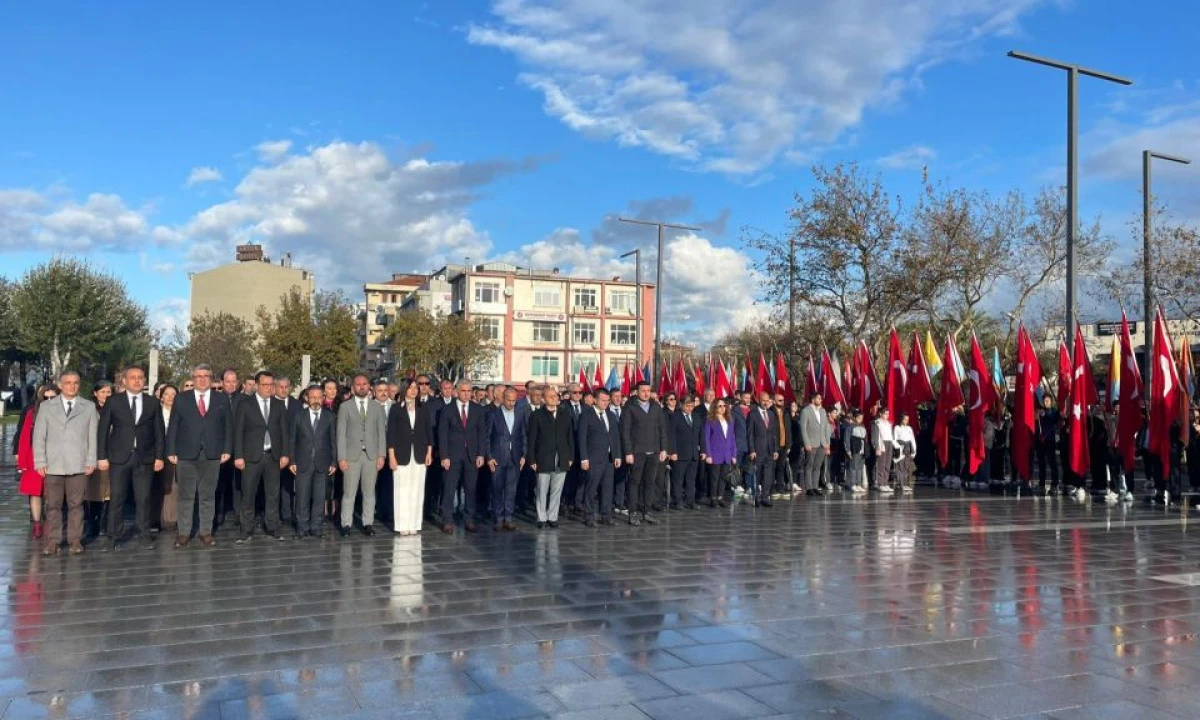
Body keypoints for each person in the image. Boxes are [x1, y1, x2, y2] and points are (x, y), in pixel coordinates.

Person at [96, 366, 165, 551]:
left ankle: (144, 535)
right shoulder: (113, 402)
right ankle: (113, 536)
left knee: (143, 498)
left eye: (140, 378)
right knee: (117, 498)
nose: (137, 381)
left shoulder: (152, 403)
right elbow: (103, 430)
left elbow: (159, 432)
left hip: (145, 457)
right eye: (133, 378)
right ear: (124, 381)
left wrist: (159, 457)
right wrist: (101, 456)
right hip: (119, 457)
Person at [167, 363, 233, 549]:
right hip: (186, 455)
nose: (202, 379)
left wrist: (227, 449)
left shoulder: (221, 399)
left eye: (206, 376)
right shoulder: (181, 399)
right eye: (198, 376)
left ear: (211, 379)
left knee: (207, 495)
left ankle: (206, 532)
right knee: (186, 496)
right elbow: (174, 426)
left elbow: (228, 427)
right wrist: (170, 450)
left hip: (212, 455)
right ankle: (183, 533)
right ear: (193, 378)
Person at [32, 370, 99, 556]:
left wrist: (91, 460)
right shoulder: (47, 407)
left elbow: (92, 436)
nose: (72, 386)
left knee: (76, 505)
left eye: (76, 383)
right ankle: (53, 541)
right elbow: (39, 436)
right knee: (53, 505)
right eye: (68, 383)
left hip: (78, 464)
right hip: (53, 465)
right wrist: (40, 461)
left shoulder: (88, 407)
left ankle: (75, 540)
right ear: (60, 385)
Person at [232, 371, 291, 542]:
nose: (268, 388)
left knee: (273, 494)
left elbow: (284, 432)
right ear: (256, 385)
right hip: (250, 457)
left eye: (271, 385)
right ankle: (246, 529)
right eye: (264, 385)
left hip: (273, 456)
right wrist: (238, 455)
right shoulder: (245, 404)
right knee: (248, 494)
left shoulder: (279, 405)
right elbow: (238, 432)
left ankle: (272, 527)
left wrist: (285, 454)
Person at [336, 374, 387, 537]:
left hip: (371, 455)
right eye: (358, 384)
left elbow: (381, 433)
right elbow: (341, 434)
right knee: (349, 493)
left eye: (365, 384)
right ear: (353, 388)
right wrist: (341, 458)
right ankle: (346, 524)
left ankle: (368, 523)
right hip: (351, 456)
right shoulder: (345, 407)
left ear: (369, 387)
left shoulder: (377, 407)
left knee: (369, 492)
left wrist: (382, 455)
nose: (362, 387)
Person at [436, 381, 486, 534]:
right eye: (463, 391)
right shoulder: (447, 409)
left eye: (468, 391)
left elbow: (482, 433)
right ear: (456, 391)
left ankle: (469, 519)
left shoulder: (478, 409)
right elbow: (442, 434)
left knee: (470, 489)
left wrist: (481, 454)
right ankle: (447, 520)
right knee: (449, 488)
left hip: (472, 455)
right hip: (452, 455)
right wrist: (444, 456)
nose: (466, 393)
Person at [289, 385, 337, 539]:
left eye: (318, 397)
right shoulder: (298, 416)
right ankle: (302, 528)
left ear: (323, 398)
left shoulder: (329, 416)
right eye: (312, 397)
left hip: (323, 463)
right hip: (303, 463)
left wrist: (334, 462)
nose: (315, 400)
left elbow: (333, 441)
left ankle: (316, 527)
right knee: (302, 497)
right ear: (307, 398)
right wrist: (292, 460)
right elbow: (292, 440)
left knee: (319, 497)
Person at [387, 380, 432, 536]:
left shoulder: (423, 408)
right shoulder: (395, 409)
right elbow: (391, 434)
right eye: (410, 387)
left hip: (419, 453)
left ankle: (414, 523)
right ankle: (401, 524)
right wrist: (391, 457)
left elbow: (428, 432)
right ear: (404, 389)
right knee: (402, 489)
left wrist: (429, 452)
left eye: (415, 388)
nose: (413, 390)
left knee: (417, 489)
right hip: (401, 455)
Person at [621, 382, 668, 526]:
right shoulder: (630, 408)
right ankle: (633, 513)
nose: (646, 393)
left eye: (648, 391)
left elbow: (662, 429)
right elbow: (625, 431)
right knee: (635, 482)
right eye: (643, 391)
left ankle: (647, 512)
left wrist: (663, 449)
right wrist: (628, 452)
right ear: (637, 392)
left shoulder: (656, 407)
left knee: (650, 482)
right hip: (637, 452)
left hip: (654, 451)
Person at [526, 387, 574, 529]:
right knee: (541, 490)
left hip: (562, 457)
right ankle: (541, 518)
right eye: (550, 396)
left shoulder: (565, 414)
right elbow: (531, 439)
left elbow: (569, 437)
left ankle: (552, 517)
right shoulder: (536, 416)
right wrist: (532, 459)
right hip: (543, 458)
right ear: (544, 399)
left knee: (557, 490)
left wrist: (571, 456)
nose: (554, 398)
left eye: (555, 396)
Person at [13, 383, 57, 539]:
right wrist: (22, 463)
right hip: (34, 457)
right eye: (46, 397)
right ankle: (37, 523)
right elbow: (24, 437)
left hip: (57, 457)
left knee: (53, 492)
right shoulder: (32, 412)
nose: (50, 400)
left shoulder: (63, 412)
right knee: (35, 492)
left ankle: (51, 522)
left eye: (53, 397)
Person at [578, 388, 621, 527]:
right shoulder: (586, 415)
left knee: (608, 488)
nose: (605, 403)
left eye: (607, 400)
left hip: (609, 458)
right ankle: (589, 516)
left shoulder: (611, 415)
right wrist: (584, 458)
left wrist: (617, 455)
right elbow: (582, 438)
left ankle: (606, 515)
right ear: (595, 399)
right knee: (591, 488)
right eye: (603, 400)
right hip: (593, 458)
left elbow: (615, 437)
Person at [485, 387, 525, 531]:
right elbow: (486, 437)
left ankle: (508, 518)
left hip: (514, 458)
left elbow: (523, 435)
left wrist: (524, 455)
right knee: (497, 489)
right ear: (502, 398)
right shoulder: (493, 414)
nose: (511, 403)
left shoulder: (520, 414)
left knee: (511, 489)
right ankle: (498, 518)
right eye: (508, 400)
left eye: (514, 400)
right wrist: (488, 457)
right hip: (497, 458)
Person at [85, 381, 114, 541]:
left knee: (109, 492)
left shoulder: (116, 408)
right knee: (94, 491)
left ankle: (105, 523)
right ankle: (93, 524)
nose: (105, 395)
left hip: (112, 455)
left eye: (108, 392)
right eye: (102, 392)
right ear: (95, 393)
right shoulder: (89, 410)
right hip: (93, 455)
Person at [150, 384, 178, 534]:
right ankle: (154, 519)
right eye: (166, 394)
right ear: (161, 397)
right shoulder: (155, 412)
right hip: (157, 456)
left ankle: (171, 520)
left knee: (173, 489)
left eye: (173, 394)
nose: (170, 397)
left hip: (175, 456)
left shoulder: (181, 413)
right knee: (156, 488)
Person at [703, 398, 738, 508]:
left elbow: (732, 438)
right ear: (715, 407)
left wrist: (734, 454)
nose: (723, 408)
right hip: (715, 453)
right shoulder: (710, 420)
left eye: (724, 406)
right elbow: (706, 438)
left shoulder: (729, 420)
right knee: (714, 477)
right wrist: (708, 454)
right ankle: (713, 499)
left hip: (726, 454)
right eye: (720, 406)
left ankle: (720, 497)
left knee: (723, 477)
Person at [670, 395, 703, 509]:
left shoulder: (696, 416)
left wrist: (703, 451)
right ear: (681, 405)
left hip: (694, 454)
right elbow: (672, 436)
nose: (690, 408)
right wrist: (673, 452)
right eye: (687, 406)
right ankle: (678, 501)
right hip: (680, 453)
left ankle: (690, 500)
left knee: (691, 479)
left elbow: (701, 435)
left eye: (692, 406)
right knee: (678, 479)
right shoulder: (675, 417)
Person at [746, 392, 778, 508]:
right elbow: (749, 434)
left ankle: (765, 497)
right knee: (757, 474)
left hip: (769, 450)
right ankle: (757, 497)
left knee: (768, 475)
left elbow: (774, 433)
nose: (765, 403)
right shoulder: (752, 414)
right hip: (758, 450)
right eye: (763, 400)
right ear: (759, 400)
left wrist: (775, 450)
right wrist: (752, 450)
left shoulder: (771, 414)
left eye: (767, 400)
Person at [799, 393, 830, 496]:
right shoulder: (806, 411)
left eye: (821, 398)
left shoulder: (823, 411)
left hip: (822, 443)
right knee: (809, 465)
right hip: (811, 443)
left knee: (818, 466)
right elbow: (803, 429)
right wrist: (806, 443)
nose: (821, 400)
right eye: (819, 398)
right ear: (813, 399)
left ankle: (815, 486)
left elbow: (826, 427)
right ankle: (809, 488)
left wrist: (827, 443)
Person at [873, 407, 896, 494]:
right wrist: (877, 447)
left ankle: (885, 482)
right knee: (881, 464)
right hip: (882, 443)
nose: (887, 415)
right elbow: (876, 436)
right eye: (885, 414)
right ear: (880, 414)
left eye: (888, 414)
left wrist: (896, 446)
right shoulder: (877, 423)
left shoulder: (889, 423)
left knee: (887, 464)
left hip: (889, 442)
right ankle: (880, 483)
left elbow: (891, 435)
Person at [893, 411, 916, 494]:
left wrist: (914, 451)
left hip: (908, 448)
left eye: (907, 419)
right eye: (905, 419)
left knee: (907, 466)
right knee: (900, 466)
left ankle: (905, 483)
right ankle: (901, 484)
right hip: (900, 447)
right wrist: (898, 448)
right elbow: (894, 439)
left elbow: (912, 439)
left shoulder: (909, 428)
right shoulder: (897, 428)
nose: (906, 421)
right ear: (901, 419)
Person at [846, 410, 868, 493]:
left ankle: (858, 484)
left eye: (862, 418)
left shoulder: (863, 427)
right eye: (859, 418)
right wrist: (848, 450)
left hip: (862, 450)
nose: (860, 419)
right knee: (853, 467)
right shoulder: (850, 427)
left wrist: (866, 449)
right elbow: (847, 439)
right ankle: (852, 484)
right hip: (854, 449)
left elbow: (865, 439)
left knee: (859, 467)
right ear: (854, 418)